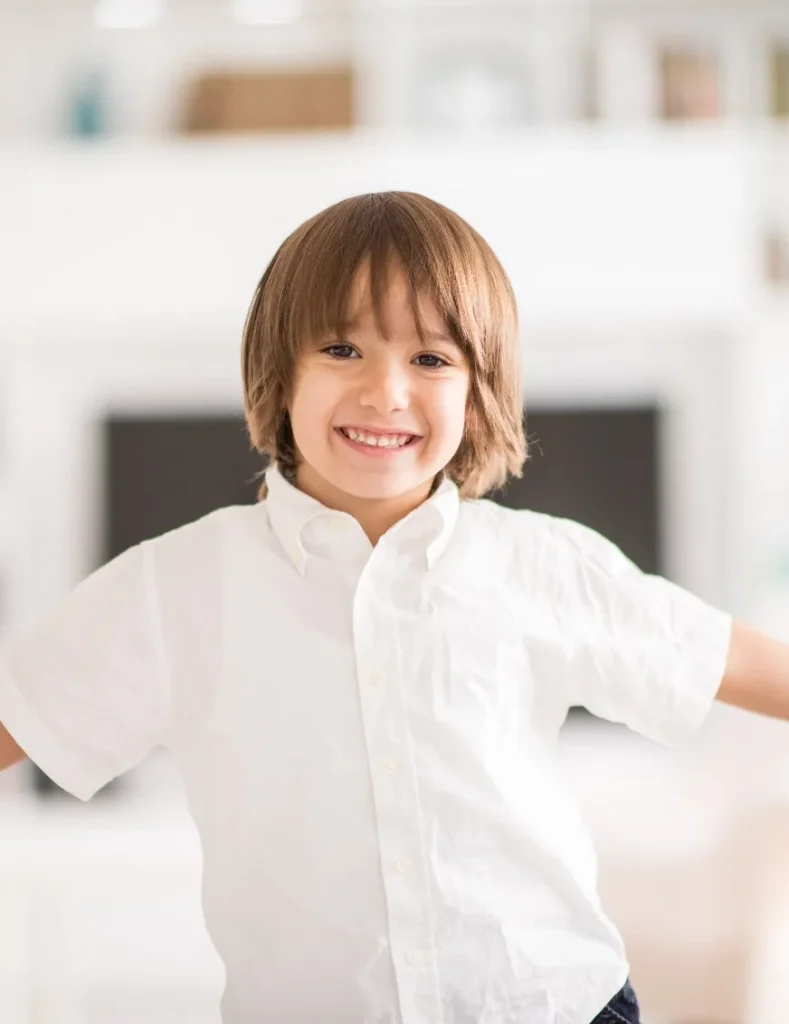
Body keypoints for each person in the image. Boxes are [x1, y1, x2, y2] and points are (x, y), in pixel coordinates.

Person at [0, 191, 787, 1024]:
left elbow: (733, 662)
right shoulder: (176, 587)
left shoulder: (541, 567)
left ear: (480, 391)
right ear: (281, 367)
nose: (385, 392)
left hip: (552, 1005)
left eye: (431, 359)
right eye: (343, 348)